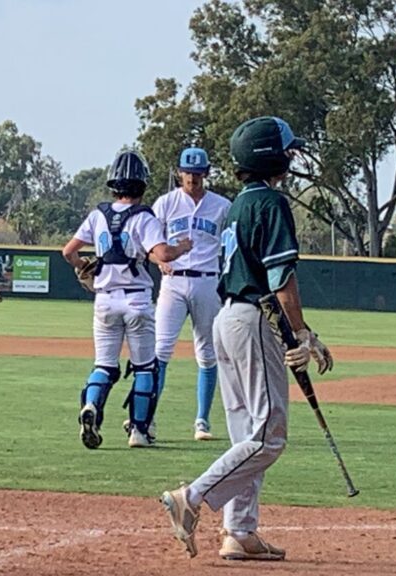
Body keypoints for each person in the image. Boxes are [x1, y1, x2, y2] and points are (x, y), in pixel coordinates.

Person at [160, 117, 333, 561]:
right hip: (253, 318)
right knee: (268, 437)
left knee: (245, 434)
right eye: (286, 150)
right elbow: (281, 277)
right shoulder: (270, 203)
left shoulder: (237, 205)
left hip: (228, 319)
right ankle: (191, 498)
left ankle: (239, 531)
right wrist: (302, 332)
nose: (291, 157)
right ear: (270, 156)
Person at [62, 150, 193, 449]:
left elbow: (68, 252)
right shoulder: (144, 217)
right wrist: (182, 246)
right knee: (145, 367)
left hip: (105, 300)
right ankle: (139, 431)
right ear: (142, 184)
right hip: (136, 300)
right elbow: (162, 255)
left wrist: (83, 266)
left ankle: (92, 406)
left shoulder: (98, 214)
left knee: (104, 366)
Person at [150, 147, 231, 441]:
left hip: (207, 281)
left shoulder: (222, 206)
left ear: (206, 173)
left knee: (207, 353)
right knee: (160, 350)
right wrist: (159, 259)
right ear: (179, 172)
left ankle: (202, 422)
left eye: (197, 174)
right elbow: (147, 241)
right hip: (173, 282)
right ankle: (146, 419)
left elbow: (232, 244)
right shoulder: (165, 203)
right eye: (188, 173)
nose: (192, 179)